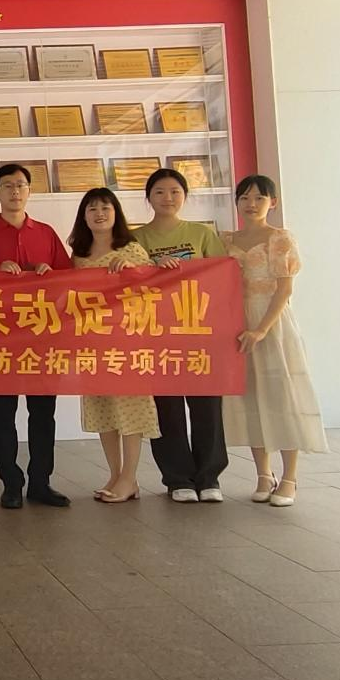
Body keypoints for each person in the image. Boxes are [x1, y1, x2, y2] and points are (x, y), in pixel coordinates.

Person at [0, 162, 73, 509]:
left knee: (43, 413)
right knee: (2, 412)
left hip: (43, 337)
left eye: (21, 185)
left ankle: (41, 481)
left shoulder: (47, 233)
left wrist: (49, 272)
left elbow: (69, 281)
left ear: (29, 191)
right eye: (7, 185)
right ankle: (10, 483)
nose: (15, 191)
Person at [221, 175, 327, 507]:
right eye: (244, 198)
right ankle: (263, 475)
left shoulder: (280, 238)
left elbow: (284, 289)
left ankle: (290, 477)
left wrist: (262, 329)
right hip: (237, 324)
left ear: (273, 203)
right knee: (251, 396)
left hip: (273, 324)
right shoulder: (226, 240)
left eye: (259, 198)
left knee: (283, 397)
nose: (251, 204)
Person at [133, 167, 229, 503]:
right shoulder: (136, 238)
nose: (168, 198)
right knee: (167, 409)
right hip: (158, 336)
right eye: (159, 192)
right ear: (148, 198)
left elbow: (221, 278)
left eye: (175, 191)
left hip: (199, 333)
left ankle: (209, 477)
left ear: (185, 196)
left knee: (207, 408)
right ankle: (177, 478)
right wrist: (152, 271)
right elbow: (128, 283)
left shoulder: (202, 234)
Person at [67, 188, 160, 504]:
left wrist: (133, 270)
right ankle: (115, 474)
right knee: (103, 409)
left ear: (116, 213)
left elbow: (152, 288)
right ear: (83, 217)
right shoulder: (78, 255)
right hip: (92, 344)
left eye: (105, 208)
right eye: (92, 209)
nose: (99, 214)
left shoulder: (131, 249)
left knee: (130, 410)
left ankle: (130, 477)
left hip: (126, 343)